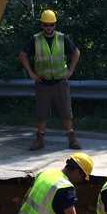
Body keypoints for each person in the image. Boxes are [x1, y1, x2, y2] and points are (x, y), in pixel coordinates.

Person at [18, 9, 82, 151]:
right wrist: (31, 74)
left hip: (60, 82)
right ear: (42, 25)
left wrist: (70, 70)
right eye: (46, 25)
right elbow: (22, 55)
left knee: (66, 112)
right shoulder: (35, 39)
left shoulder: (62, 38)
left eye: (51, 24)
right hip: (43, 83)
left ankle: (72, 139)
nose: (49, 27)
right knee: (41, 114)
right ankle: (39, 140)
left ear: (55, 25)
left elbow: (76, 52)